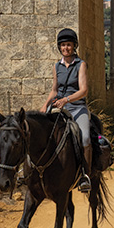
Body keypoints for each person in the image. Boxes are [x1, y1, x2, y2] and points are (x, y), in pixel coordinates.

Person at [41, 27, 92, 193]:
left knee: (84, 138)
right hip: (58, 107)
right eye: (63, 45)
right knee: (38, 132)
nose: (66, 48)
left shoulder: (81, 65)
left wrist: (67, 99)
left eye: (69, 45)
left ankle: (85, 175)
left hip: (77, 107)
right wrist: (44, 106)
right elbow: (54, 90)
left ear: (74, 46)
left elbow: (84, 90)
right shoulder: (57, 66)